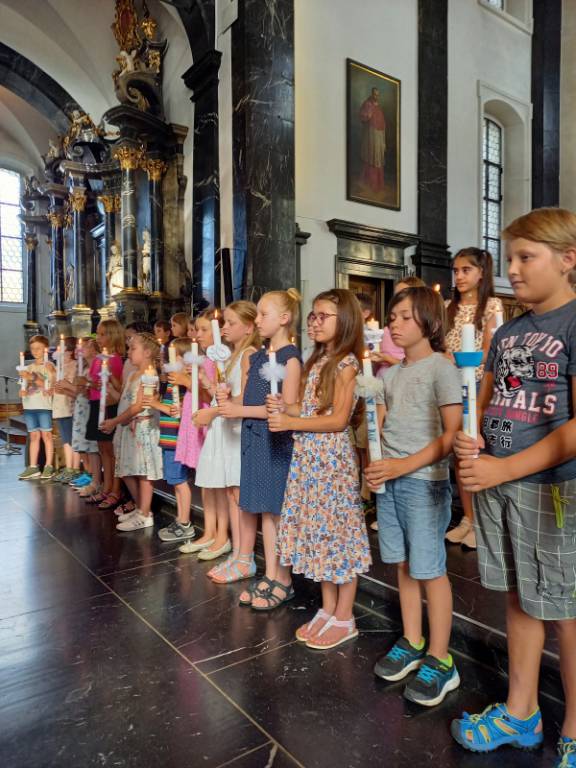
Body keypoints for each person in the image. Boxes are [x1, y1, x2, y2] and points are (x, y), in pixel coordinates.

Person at [450, 208, 576, 768]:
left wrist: (505, 469)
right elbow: (488, 401)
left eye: (527, 257)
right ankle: (522, 712)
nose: (514, 270)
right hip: (501, 482)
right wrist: (471, 438)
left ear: (568, 259)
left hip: (552, 490)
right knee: (521, 598)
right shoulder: (508, 332)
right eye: (510, 259)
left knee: (565, 608)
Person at [365, 286, 462, 707]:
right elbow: (379, 429)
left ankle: (441, 659)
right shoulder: (389, 375)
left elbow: (452, 434)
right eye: (392, 318)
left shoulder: (442, 368)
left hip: (423, 480)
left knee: (430, 569)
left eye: (406, 317)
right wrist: (376, 466)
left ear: (430, 321)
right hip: (390, 479)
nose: (395, 324)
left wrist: (403, 465)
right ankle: (412, 639)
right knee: (403, 564)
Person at [272, 289, 371, 649]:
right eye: (312, 315)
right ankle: (328, 608)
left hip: (331, 462)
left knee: (339, 538)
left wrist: (290, 422)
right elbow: (308, 408)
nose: (314, 322)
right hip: (310, 460)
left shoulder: (347, 364)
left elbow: (338, 420)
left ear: (345, 321)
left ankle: (345, 616)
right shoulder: (317, 360)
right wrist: (285, 407)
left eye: (323, 316)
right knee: (320, 535)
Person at [218, 289, 302, 610]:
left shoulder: (290, 359)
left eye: (264, 314)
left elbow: (285, 408)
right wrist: (228, 400)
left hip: (274, 441)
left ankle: (283, 578)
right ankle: (270, 573)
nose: (258, 320)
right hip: (254, 438)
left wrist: (239, 410)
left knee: (276, 511)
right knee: (266, 511)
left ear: (284, 318)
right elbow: (248, 400)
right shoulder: (258, 357)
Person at [444, 248, 503, 551]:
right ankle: (467, 518)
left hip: (478, 384)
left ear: (481, 273)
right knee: (459, 453)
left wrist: (458, 359)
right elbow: (439, 344)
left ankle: (483, 521)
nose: (459, 276)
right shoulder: (448, 307)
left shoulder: (491, 305)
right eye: (456, 270)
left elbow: (491, 351)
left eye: (466, 270)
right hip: (450, 385)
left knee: (475, 451)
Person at [198, 301, 260, 581]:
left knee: (237, 493)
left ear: (248, 327)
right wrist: (210, 387)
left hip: (238, 429)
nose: (224, 327)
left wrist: (212, 411)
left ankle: (245, 557)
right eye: (224, 322)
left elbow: (246, 397)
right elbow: (229, 394)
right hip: (228, 426)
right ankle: (236, 553)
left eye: (231, 322)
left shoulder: (248, 354)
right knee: (231, 493)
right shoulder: (234, 355)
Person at [100, 332, 163, 531]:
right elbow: (125, 399)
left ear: (147, 353)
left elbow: (139, 406)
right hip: (128, 428)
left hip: (142, 428)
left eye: (133, 348)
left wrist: (115, 421)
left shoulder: (149, 374)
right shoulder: (133, 374)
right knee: (127, 470)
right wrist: (108, 386)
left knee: (143, 473)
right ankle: (141, 508)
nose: (128, 352)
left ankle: (145, 514)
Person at [175, 310, 218, 554]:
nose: (197, 335)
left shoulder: (215, 361)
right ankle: (209, 531)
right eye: (196, 329)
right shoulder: (203, 359)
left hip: (206, 420)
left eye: (203, 330)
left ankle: (215, 532)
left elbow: (211, 397)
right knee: (203, 480)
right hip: (195, 419)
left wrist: (186, 382)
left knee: (209, 481)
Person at [147, 337, 195, 542]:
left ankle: (185, 522)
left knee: (179, 481)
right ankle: (181, 519)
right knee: (176, 482)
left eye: (174, 358)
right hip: (169, 438)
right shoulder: (173, 384)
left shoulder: (184, 386)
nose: (168, 363)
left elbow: (177, 411)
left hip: (176, 439)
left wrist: (155, 404)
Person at [83, 320, 125, 502]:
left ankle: (113, 488)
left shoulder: (114, 359)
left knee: (109, 449)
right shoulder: (99, 358)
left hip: (108, 405)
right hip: (96, 403)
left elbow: (117, 385)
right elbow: (95, 382)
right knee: (102, 449)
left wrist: (95, 383)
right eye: (97, 334)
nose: (98, 338)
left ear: (112, 336)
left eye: (102, 334)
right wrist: (88, 384)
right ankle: (105, 486)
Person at [18, 335, 56, 480]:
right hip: (29, 405)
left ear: (45, 349)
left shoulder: (50, 366)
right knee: (34, 436)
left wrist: (32, 377)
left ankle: (48, 466)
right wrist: (22, 391)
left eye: (38, 348)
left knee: (46, 435)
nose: (35, 351)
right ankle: (33, 467)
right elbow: (24, 385)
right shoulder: (28, 367)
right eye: (33, 348)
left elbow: (47, 385)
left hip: (44, 405)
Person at [69, 337, 100, 490]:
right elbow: (78, 392)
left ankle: (93, 475)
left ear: (94, 349)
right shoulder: (83, 368)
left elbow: (93, 390)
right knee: (81, 443)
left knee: (91, 444)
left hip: (90, 408)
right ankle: (87, 472)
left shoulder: (97, 366)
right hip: (81, 408)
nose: (80, 350)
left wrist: (81, 386)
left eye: (84, 347)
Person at [51, 337, 80, 483]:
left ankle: (75, 469)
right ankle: (68, 468)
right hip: (60, 407)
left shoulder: (75, 366)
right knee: (66, 440)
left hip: (70, 406)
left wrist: (65, 387)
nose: (58, 353)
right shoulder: (59, 366)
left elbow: (74, 388)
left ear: (69, 352)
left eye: (61, 350)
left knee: (73, 440)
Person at [359, 87, 386, 193]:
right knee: (372, 155)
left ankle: (378, 184)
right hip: (371, 134)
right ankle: (370, 183)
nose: (376, 97)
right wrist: (368, 115)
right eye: (375, 94)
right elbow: (362, 116)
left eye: (377, 95)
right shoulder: (367, 104)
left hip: (379, 134)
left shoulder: (378, 106)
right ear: (371, 94)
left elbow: (382, 122)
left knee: (378, 156)